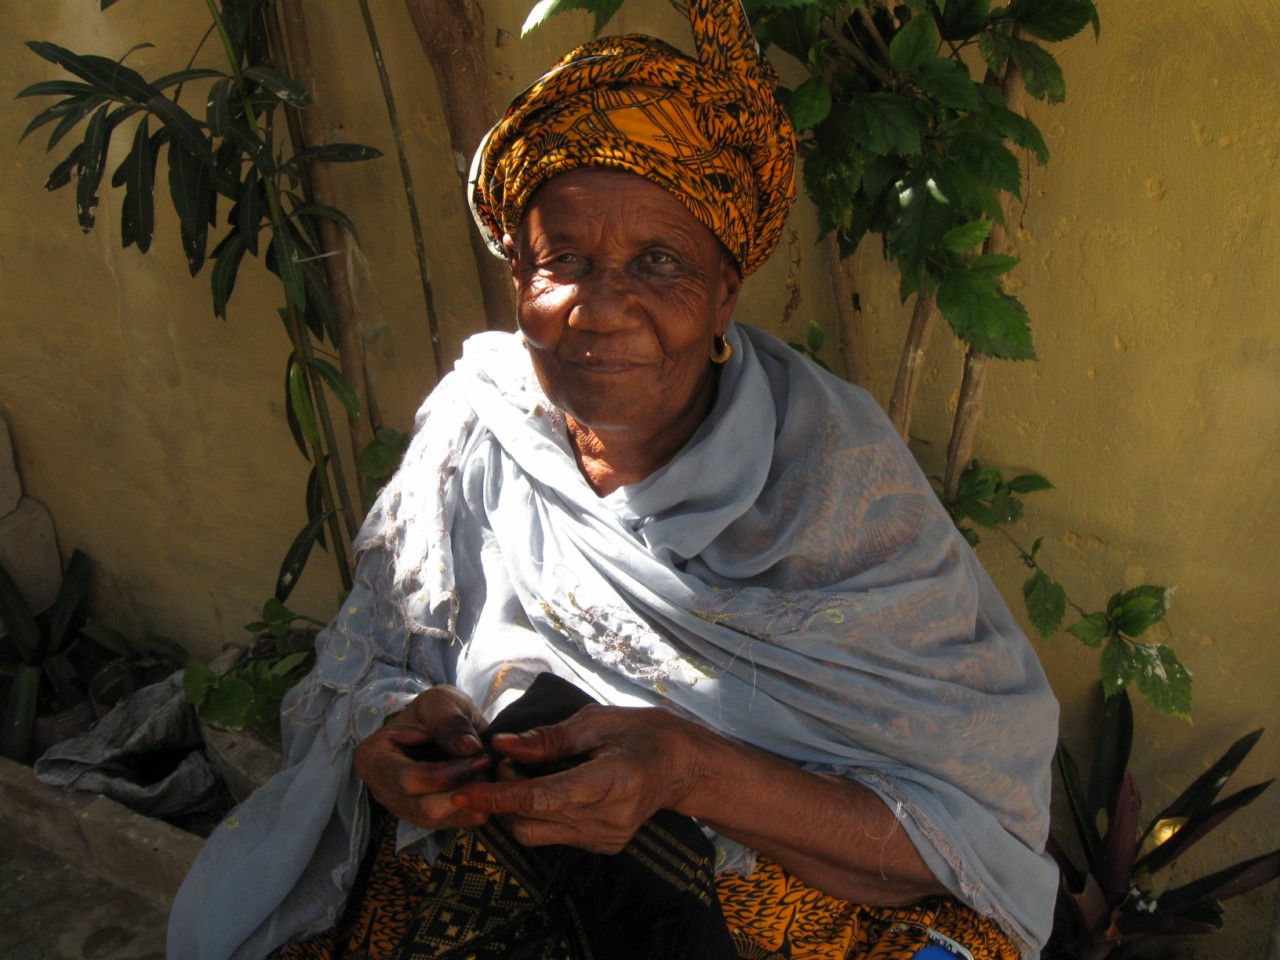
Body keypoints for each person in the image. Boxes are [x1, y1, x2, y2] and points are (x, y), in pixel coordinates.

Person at [168, 0, 1059, 957]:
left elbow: (970, 830)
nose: (601, 310)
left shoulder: (834, 479)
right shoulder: (479, 425)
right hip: (515, 858)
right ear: (520, 283)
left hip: (791, 890)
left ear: (725, 294)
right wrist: (391, 739)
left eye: (659, 262)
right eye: (564, 263)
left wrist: (687, 772)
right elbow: (365, 664)